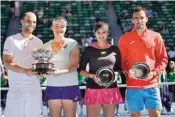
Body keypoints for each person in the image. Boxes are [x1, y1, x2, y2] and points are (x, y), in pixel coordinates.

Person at [118, 6, 168, 117]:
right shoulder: (125, 38)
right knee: (135, 115)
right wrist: (128, 72)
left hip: (152, 85)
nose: (139, 20)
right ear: (132, 20)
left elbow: (163, 59)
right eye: (136, 18)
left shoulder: (156, 37)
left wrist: (154, 72)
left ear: (146, 19)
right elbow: (121, 61)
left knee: (155, 115)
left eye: (141, 17)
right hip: (133, 86)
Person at [78, 21, 123, 117]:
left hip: (110, 89)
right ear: (95, 33)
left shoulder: (115, 49)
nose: (101, 35)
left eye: (104, 32)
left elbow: (119, 69)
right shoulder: (88, 50)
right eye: (98, 32)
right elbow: (81, 70)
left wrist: (116, 74)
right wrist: (91, 76)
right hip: (93, 89)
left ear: (107, 33)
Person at [3, 12, 43, 117]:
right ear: (22, 22)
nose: (32, 24)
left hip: (34, 90)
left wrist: (42, 72)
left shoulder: (39, 42)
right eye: (29, 21)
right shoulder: (11, 40)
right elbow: (7, 62)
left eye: (34, 22)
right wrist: (25, 71)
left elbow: (40, 64)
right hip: (16, 91)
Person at [42, 16, 81, 117]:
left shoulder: (72, 43)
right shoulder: (45, 46)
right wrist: (43, 73)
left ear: (66, 28)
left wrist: (59, 72)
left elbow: (74, 65)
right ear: (52, 27)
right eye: (56, 26)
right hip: (52, 86)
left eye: (62, 26)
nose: (59, 29)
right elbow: (44, 66)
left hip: (70, 85)